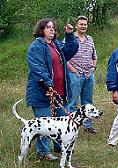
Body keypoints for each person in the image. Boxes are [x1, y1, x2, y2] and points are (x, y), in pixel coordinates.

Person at [26, 18, 78, 160]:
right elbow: (37, 68)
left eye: (53, 28)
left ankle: (59, 148)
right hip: (43, 93)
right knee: (45, 123)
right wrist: (48, 84)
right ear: (41, 30)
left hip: (60, 92)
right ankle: (43, 152)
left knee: (61, 122)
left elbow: (71, 50)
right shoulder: (36, 46)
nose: (51, 30)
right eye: (48, 27)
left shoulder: (56, 44)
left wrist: (69, 35)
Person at [67, 16, 98, 135]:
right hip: (75, 75)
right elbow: (64, 57)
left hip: (88, 75)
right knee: (73, 101)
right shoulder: (70, 39)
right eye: (81, 24)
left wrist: (93, 68)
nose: (83, 26)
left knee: (88, 101)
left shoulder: (90, 39)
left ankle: (87, 125)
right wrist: (73, 70)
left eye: (85, 24)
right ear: (76, 25)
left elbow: (94, 56)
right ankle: (70, 126)